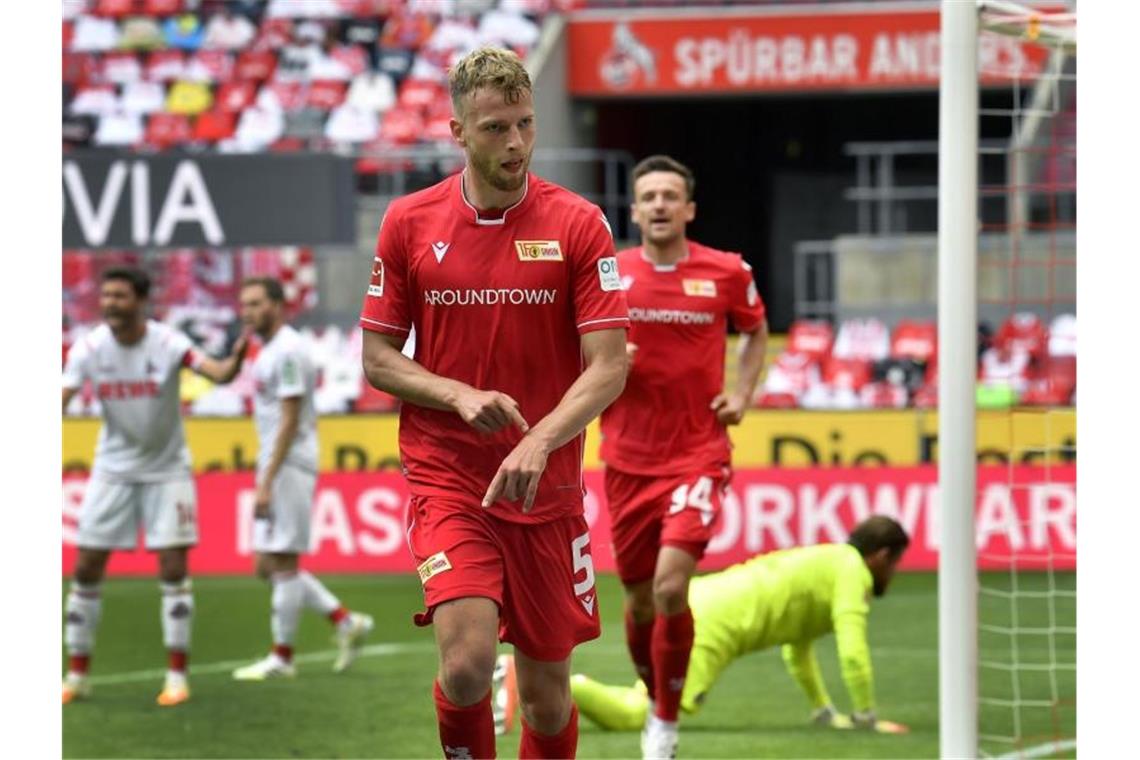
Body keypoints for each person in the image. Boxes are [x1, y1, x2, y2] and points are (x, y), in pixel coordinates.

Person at [359, 46, 630, 759]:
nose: (514, 143)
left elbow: (610, 366)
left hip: (548, 485)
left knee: (545, 699)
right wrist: (456, 394)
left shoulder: (578, 224)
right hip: (449, 475)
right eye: (494, 128)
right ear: (456, 131)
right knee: (468, 663)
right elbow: (378, 358)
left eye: (524, 124)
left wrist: (539, 439)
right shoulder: (409, 222)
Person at [596, 155, 769, 757]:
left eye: (672, 195)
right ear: (636, 210)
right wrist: (609, 361)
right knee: (641, 599)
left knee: (672, 588)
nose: (661, 204)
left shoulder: (726, 272)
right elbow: (574, 348)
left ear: (689, 209)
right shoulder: (609, 275)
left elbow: (755, 330)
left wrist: (742, 392)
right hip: (625, 459)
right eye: (650, 196)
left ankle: (664, 727)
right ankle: (656, 696)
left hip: (698, 453)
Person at [494, 517, 913, 738]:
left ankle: (533, 678)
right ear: (880, 556)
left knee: (653, 703)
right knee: (647, 714)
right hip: (713, 625)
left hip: (707, 600)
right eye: (895, 563)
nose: (893, 573)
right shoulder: (852, 573)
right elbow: (853, 651)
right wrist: (866, 717)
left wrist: (823, 709)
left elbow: (797, 648)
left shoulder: (832, 561)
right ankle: (551, 681)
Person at [62, 267, 248, 707]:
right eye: (106, 295)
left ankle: (177, 677)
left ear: (141, 301)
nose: (109, 303)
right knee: (86, 566)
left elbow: (217, 374)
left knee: (172, 566)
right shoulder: (88, 349)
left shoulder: (168, 343)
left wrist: (236, 359)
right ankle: (77, 675)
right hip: (112, 470)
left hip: (168, 470)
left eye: (119, 296)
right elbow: (63, 394)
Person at [229, 278, 374, 681]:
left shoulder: (289, 350)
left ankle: (282, 656)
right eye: (244, 304)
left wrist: (267, 476)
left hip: (289, 461)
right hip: (276, 461)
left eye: (256, 302)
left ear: (278, 305)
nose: (248, 311)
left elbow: (291, 418)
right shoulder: (268, 351)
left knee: (284, 560)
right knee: (267, 564)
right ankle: (345, 621)